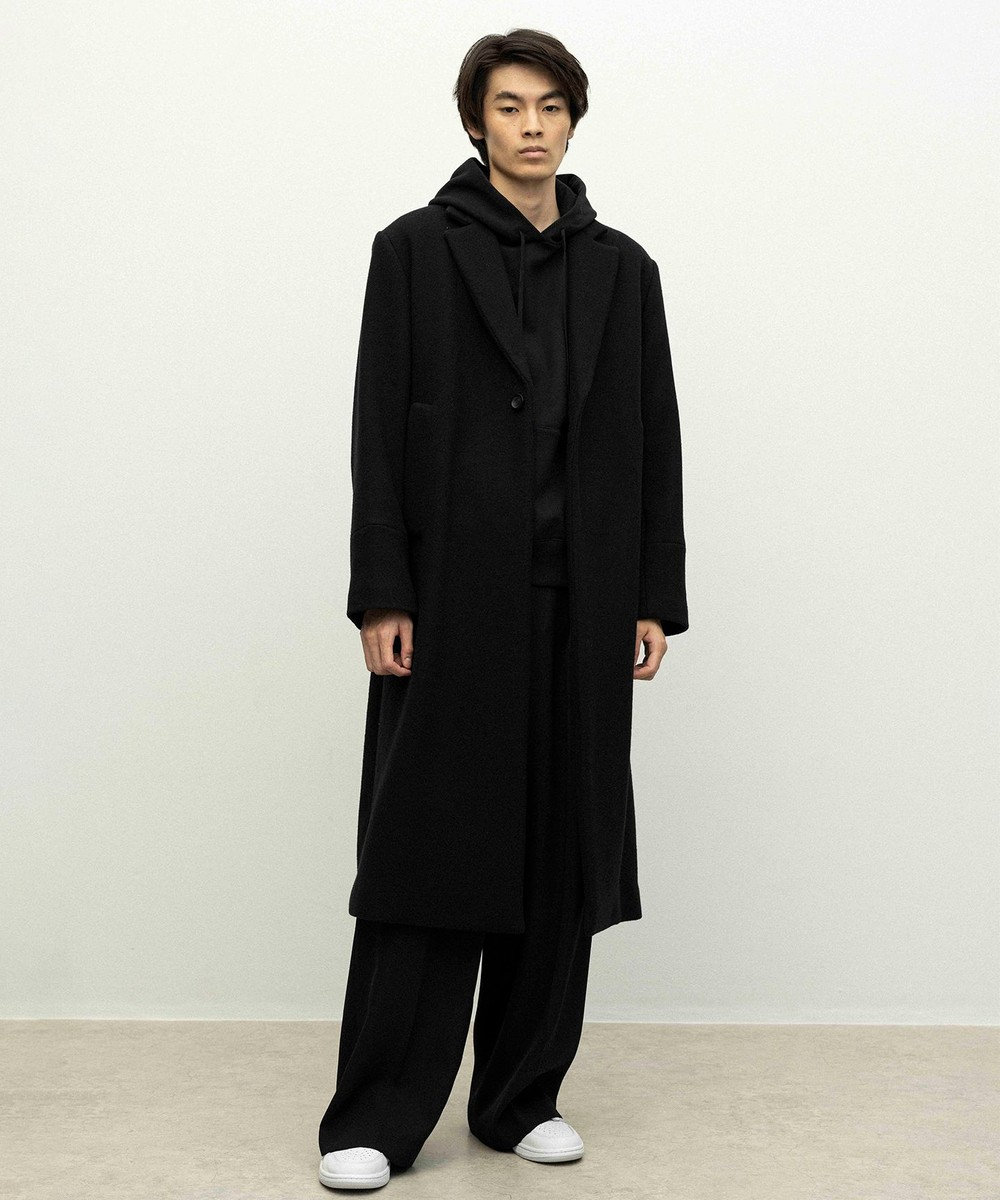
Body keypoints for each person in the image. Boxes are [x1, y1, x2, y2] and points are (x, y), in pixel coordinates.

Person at [318, 27, 689, 1191]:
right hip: (450, 602)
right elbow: (377, 429)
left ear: (573, 119)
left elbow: (653, 434)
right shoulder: (412, 252)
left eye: (550, 106)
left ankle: (521, 1096)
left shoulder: (623, 270)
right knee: (428, 850)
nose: (532, 126)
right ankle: (377, 1114)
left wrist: (651, 594)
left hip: (581, 602)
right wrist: (381, 590)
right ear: (475, 121)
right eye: (510, 106)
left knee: (558, 854)